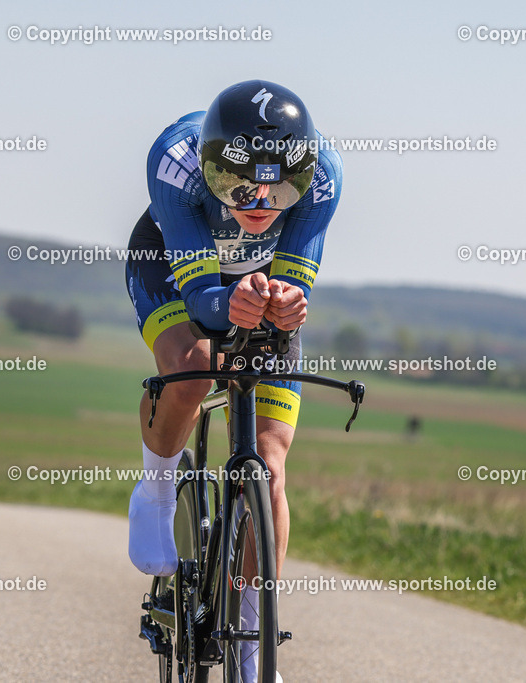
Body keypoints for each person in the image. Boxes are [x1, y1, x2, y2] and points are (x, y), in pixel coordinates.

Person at [125, 80, 341, 681]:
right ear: (213, 162)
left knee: (269, 463)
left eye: (280, 185)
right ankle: (157, 492)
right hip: (175, 269)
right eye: (241, 183)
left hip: (260, 282)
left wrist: (292, 303)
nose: (261, 198)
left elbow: (297, 274)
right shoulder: (175, 160)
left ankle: (252, 636)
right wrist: (229, 304)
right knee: (191, 369)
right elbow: (201, 297)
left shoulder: (325, 174)